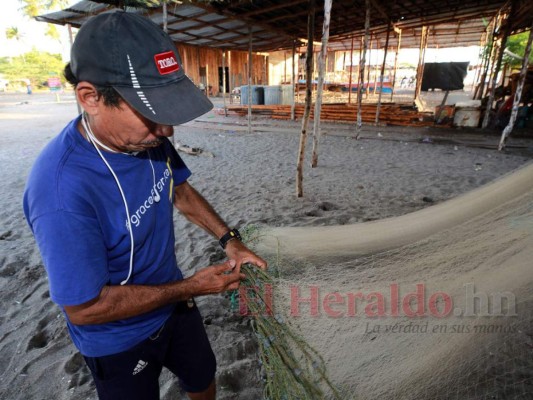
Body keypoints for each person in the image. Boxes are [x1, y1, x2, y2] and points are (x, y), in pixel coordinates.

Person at [22, 10, 266, 400]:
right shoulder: (61, 192)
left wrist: (229, 239)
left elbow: (179, 189)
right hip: (117, 337)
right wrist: (191, 286)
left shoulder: (145, 139)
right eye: (151, 113)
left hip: (177, 303)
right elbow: (84, 309)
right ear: (90, 97)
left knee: (203, 378)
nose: (166, 130)